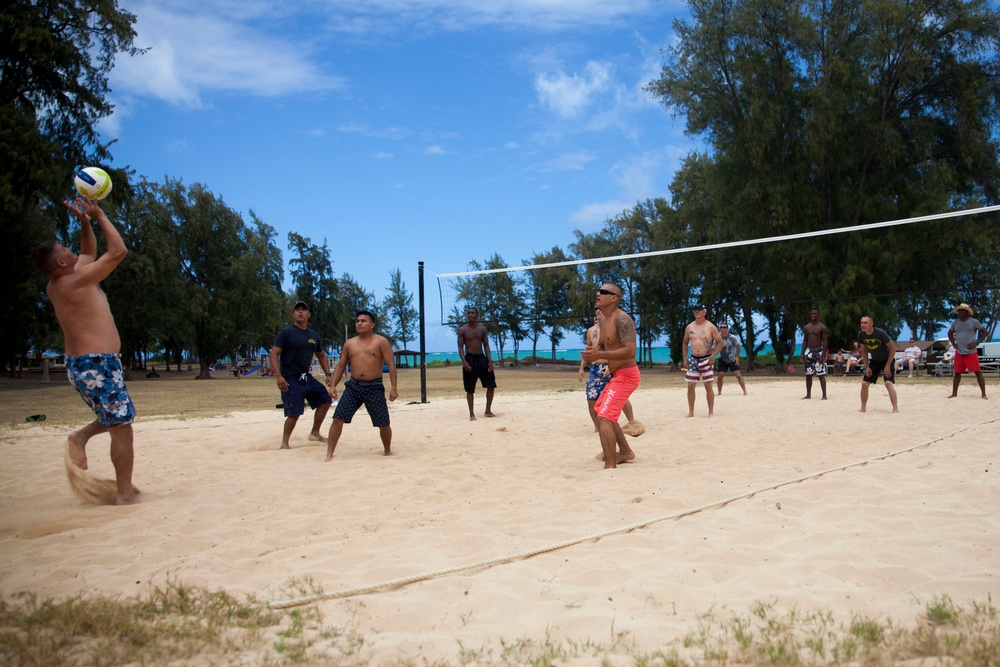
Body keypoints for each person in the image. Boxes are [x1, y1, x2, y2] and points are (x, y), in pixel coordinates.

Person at [31, 198, 137, 505]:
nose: (71, 249)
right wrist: (101, 216)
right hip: (97, 363)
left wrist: (85, 223)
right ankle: (124, 495)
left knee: (119, 418)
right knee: (122, 429)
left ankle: (82, 437)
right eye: (65, 248)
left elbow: (89, 253)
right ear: (62, 263)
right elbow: (118, 251)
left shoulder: (58, 283)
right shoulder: (76, 282)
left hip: (87, 365)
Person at [580, 283, 640, 469]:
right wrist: (593, 352)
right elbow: (603, 347)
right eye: (598, 290)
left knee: (604, 417)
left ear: (614, 298)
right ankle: (624, 451)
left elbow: (630, 352)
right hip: (616, 374)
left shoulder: (622, 319)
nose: (598, 293)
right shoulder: (604, 320)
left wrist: (601, 355)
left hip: (627, 375)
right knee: (602, 411)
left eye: (604, 292)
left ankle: (610, 465)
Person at [326, 311, 399, 460]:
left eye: (363, 321)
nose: (359, 323)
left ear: (371, 325)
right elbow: (341, 366)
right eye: (357, 321)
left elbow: (391, 365)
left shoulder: (381, 341)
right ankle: (329, 453)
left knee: (383, 422)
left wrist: (393, 387)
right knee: (337, 418)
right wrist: (332, 386)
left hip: (374, 386)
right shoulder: (350, 343)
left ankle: (387, 450)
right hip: (354, 386)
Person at [269, 301, 333, 449]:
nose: (300, 312)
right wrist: (279, 376)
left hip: (305, 377)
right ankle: (285, 443)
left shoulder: (313, 335)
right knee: (295, 412)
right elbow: (274, 354)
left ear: (308, 314)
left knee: (325, 400)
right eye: (297, 310)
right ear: (293, 314)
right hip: (290, 378)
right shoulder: (286, 332)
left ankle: (315, 433)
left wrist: (328, 374)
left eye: (303, 310)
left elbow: (321, 355)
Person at [577, 308, 637, 431]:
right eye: (596, 309)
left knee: (618, 396)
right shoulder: (591, 331)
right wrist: (581, 368)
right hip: (595, 368)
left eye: (601, 309)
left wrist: (611, 366)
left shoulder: (613, 326)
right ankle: (598, 427)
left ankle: (632, 421)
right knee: (591, 398)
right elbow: (589, 350)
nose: (598, 310)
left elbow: (623, 349)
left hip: (609, 365)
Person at [682, 304, 724, 417]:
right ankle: (691, 412)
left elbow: (720, 342)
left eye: (699, 310)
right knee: (690, 385)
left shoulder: (710, 326)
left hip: (706, 358)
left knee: (708, 385)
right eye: (695, 310)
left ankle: (710, 412)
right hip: (693, 359)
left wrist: (713, 356)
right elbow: (685, 343)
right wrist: (685, 358)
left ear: (704, 312)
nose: (696, 312)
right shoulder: (689, 327)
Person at [457, 307, 497, 421]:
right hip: (469, 358)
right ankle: (471, 414)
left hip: (481, 358)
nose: (470, 314)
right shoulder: (462, 330)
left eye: (473, 313)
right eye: (469, 313)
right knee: (470, 389)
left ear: (477, 315)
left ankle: (488, 410)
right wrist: (464, 361)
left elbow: (486, 345)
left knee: (491, 384)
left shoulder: (482, 329)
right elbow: (460, 347)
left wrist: (489, 360)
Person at [857, 315, 898, 413]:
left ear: (871, 323)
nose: (863, 325)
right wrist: (867, 367)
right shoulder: (861, 335)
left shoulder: (880, 333)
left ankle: (895, 408)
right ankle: (863, 408)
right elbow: (863, 351)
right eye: (862, 323)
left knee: (888, 383)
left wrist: (888, 366)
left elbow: (893, 349)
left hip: (887, 359)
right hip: (875, 361)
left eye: (865, 323)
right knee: (864, 384)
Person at [947, 303, 988, 399]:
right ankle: (954, 393)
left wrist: (976, 343)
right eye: (959, 310)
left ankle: (983, 394)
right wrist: (953, 344)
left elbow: (985, 332)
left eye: (962, 310)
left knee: (977, 372)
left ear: (967, 312)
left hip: (971, 352)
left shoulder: (974, 322)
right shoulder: (956, 322)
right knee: (957, 373)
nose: (960, 312)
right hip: (959, 352)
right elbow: (949, 333)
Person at [800, 308, 829, 400]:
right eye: (811, 313)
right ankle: (808, 394)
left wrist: (822, 355)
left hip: (818, 351)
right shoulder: (807, 327)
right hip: (809, 351)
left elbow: (825, 341)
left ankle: (824, 395)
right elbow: (805, 341)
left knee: (820, 374)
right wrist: (802, 353)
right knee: (808, 374)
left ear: (818, 315)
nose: (813, 315)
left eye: (815, 314)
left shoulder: (822, 327)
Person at [714, 322, 747, 396]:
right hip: (723, 358)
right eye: (721, 327)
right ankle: (719, 392)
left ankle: (744, 391)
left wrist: (737, 356)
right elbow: (713, 348)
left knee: (738, 375)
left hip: (732, 358)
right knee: (720, 375)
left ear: (727, 329)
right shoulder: (718, 337)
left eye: (724, 327)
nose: (722, 328)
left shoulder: (732, 337)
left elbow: (738, 346)